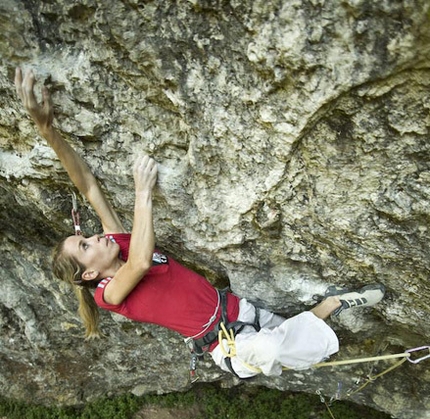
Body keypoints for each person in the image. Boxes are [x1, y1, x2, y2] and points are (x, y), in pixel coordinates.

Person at [14, 67, 385, 379]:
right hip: (224, 343)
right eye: (84, 246)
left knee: (292, 343)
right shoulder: (109, 294)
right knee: (271, 351)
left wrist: (47, 131)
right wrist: (142, 194)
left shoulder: (120, 243)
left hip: (238, 311)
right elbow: (141, 263)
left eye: (86, 237)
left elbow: (90, 187)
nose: (94, 237)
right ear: (90, 273)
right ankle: (330, 306)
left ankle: (327, 307)